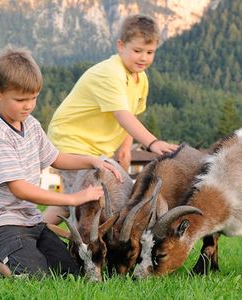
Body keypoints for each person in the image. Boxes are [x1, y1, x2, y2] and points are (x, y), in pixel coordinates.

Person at [0, 46, 122, 278]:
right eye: (21, 99)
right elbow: (20, 188)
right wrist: (72, 199)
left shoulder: (31, 124)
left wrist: (91, 161)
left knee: (70, 273)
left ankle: (19, 251)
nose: (28, 105)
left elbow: (55, 158)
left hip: (30, 221)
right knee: (34, 277)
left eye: (34, 98)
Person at [43, 14, 178, 225]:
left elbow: (130, 113)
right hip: (70, 141)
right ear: (120, 45)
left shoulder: (140, 79)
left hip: (95, 149)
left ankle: (35, 234)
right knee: (86, 198)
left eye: (150, 52)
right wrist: (152, 143)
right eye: (137, 51)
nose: (143, 57)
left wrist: (124, 151)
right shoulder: (110, 73)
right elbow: (122, 116)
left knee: (72, 199)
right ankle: (78, 247)